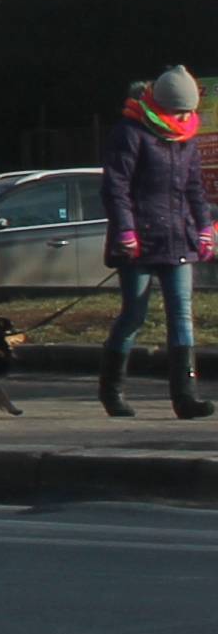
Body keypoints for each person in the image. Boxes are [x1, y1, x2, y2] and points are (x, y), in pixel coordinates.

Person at [97, 63, 213, 421]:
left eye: (189, 111)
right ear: (161, 105)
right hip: (139, 242)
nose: (185, 117)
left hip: (179, 240)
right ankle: (111, 391)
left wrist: (205, 227)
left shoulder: (186, 139)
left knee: (181, 315)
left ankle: (186, 397)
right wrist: (125, 231)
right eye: (179, 110)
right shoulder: (131, 132)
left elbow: (194, 188)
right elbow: (115, 187)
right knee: (134, 315)